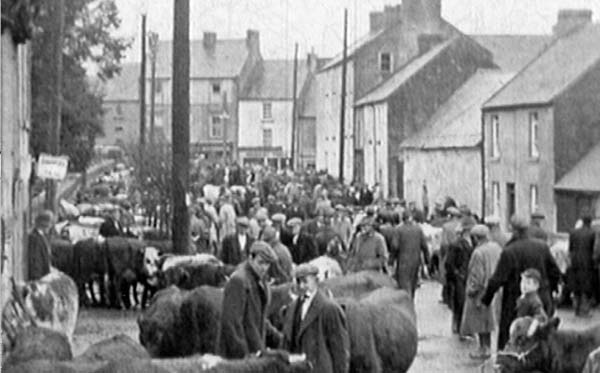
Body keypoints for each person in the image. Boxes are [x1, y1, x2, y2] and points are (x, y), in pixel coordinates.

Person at [481, 215, 561, 350]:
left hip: (516, 301)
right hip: (541, 297)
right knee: (541, 335)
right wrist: (551, 291)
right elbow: (555, 272)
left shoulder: (509, 251)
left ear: (512, 230)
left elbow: (497, 279)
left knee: (513, 335)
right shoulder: (542, 247)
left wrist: (486, 299)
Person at [281, 263, 350, 373]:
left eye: (305, 281)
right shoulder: (292, 308)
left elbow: (339, 352)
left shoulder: (330, 309)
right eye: (299, 281)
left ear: (316, 281)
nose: (302, 286)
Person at [217, 241, 280, 358]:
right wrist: (243, 355)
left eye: (267, 264)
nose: (264, 268)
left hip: (255, 352)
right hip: (238, 358)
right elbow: (231, 323)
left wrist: (280, 339)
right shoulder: (238, 281)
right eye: (260, 263)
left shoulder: (262, 282)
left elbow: (260, 318)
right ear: (250, 258)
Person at [460, 224, 502, 360]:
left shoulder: (478, 252)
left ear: (476, 238)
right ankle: (487, 347)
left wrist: (471, 290)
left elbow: (476, 276)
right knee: (488, 322)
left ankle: (484, 348)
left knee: (480, 322)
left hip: (481, 292)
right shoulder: (496, 248)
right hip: (495, 290)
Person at [445, 216, 476, 335]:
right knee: (460, 302)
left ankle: (465, 326)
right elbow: (449, 263)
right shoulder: (456, 244)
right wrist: (456, 274)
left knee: (467, 302)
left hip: (468, 276)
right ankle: (458, 326)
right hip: (460, 277)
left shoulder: (473, 242)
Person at [390, 210, 429, 296]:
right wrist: (427, 262)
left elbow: (395, 246)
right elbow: (425, 246)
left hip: (403, 261)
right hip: (415, 261)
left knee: (403, 285)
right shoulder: (418, 229)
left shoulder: (398, 230)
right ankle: (411, 301)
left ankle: (406, 304)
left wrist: (391, 261)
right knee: (413, 284)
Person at [568, 213, 596, 317]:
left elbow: (570, 249)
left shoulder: (573, 232)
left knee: (576, 286)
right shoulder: (592, 233)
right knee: (586, 287)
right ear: (590, 222)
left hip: (575, 262)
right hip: (587, 262)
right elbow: (593, 249)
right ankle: (584, 311)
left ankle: (576, 309)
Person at [27, 210, 55, 281]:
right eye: (50, 223)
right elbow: (36, 260)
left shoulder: (40, 236)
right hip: (38, 278)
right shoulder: (35, 238)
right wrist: (37, 279)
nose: (51, 226)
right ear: (44, 224)